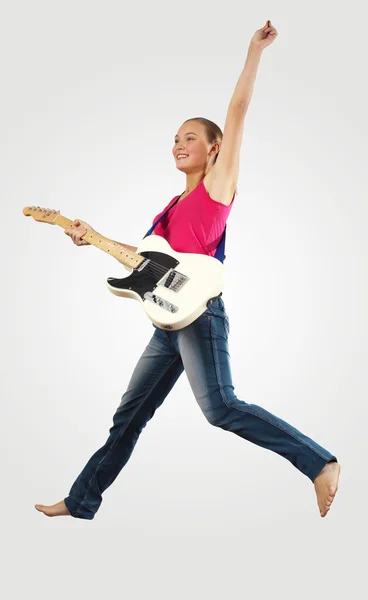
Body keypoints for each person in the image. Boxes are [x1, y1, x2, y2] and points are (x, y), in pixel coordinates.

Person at [35, 20, 340, 520]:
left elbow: (237, 112)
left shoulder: (216, 186)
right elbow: (148, 266)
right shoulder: (170, 208)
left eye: (191, 138)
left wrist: (254, 52)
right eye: (175, 138)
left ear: (214, 148)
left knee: (220, 409)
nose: (179, 144)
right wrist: (86, 235)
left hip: (200, 318)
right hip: (166, 324)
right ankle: (81, 499)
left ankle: (319, 464)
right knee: (128, 416)